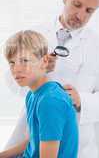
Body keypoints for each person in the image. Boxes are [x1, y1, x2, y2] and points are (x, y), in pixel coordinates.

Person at [4, 0, 99, 158]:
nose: (81, 15)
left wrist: (81, 100)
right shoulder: (35, 33)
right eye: (77, 5)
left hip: (79, 146)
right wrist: (37, 71)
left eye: (89, 11)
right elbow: (12, 77)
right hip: (33, 137)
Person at [0, 30, 78, 158]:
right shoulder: (33, 95)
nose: (16, 69)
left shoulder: (50, 101)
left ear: (44, 62)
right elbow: (32, 141)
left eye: (24, 61)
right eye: (12, 63)